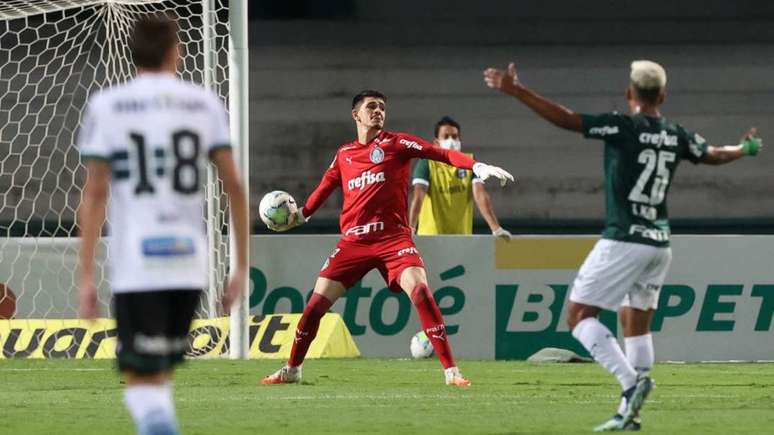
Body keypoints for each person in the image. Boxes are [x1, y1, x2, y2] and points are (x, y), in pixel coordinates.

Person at [483, 60, 762, 431]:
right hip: (659, 244)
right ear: (662, 95)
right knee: (635, 324)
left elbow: (567, 119)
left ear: (629, 93)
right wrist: (745, 147)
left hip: (624, 239)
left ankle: (632, 386)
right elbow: (712, 154)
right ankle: (631, 414)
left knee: (579, 317)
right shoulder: (675, 133)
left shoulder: (621, 125)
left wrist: (518, 91)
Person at [261, 90, 513, 387]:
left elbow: (441, 154)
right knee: (314, 307)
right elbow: (325, 187)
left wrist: (476, 166)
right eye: (371, 107)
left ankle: (452, 372)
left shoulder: (397, 143)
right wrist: (301, 215)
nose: (378, 111)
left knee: (420, 292)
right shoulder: (344, 155)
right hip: (353, 242)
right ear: (356, 115)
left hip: (394, 239)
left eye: (382, 107)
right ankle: (292, 369)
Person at [77, 15, 249, 435]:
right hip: (188, 264)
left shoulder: (109, 105)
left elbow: (95, 194)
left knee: (143, 382)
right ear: (177, 51)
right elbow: (235, 188)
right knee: (159, 381)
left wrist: (85, 275)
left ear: (131, 52)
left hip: (138, 266)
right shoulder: (203, 103)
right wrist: (239, 267)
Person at [409, 116, 512, 239]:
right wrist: (410, 228)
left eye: (454, 136)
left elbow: (480, 195)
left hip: (461, 238)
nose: (451, 141)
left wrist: (496, 228)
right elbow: (418, 196)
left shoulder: (470, 162)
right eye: (446, 137)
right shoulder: (427, 163)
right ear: (436, 143)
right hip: (430, 236)